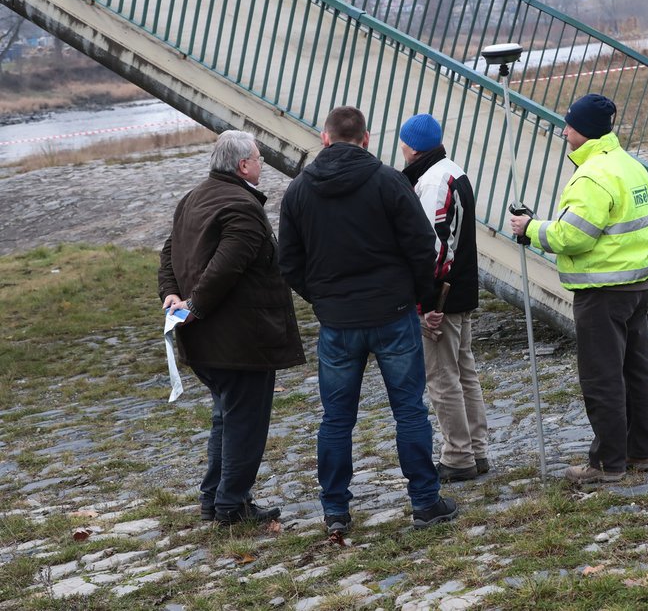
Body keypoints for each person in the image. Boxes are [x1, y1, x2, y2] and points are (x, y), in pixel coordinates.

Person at [277, 106, 458, 534]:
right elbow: (422, 248)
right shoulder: (389, 181)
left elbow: (289, 262)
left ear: (324, 138)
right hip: (392, 314)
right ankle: (425, 502)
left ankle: (335, 510)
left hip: (338, 322)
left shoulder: (299, 191)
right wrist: (417, 297)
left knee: (337, 418)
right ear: (367, 138)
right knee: (409, 410)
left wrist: (322, 299)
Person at [509, 93, 648, 485]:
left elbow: (573, 236)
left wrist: (531, 229)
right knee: (636, 372)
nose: (564, 131)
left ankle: (607, 464)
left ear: (584, 131)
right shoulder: (630, 166)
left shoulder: (592, 175)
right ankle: (641, 452)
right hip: (637, 284)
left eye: (569, 125)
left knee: (602, 377)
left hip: (602, 290)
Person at [158, 130, 305, 525]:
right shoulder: (241, 206)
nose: (261, 164)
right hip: (240, 340)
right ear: (243, 165)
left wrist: (172, 297)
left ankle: (214, 499)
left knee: (226, 416)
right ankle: (232, 505)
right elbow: (225, 267)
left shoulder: (193, 197)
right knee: (244, 423)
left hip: (207, 339)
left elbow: (169, 253)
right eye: (258, 159)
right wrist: (192, 304)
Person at [399, 114, 490, 483]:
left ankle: (457, 455)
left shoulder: (434, 181)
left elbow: (434, 249)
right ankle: (477, 449)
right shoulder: (453, 171)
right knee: (464, 373)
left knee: (442, 378)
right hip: (461, 289)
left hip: (443, 297)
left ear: (413, 145)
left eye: (404, 141)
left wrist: (426, 304)